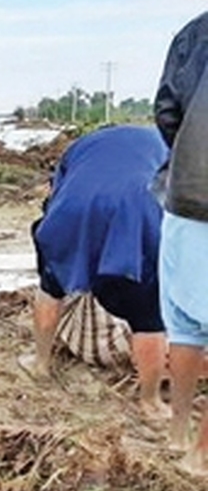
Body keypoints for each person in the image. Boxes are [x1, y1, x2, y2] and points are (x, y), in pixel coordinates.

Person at [21, 125, 169, 422]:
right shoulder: (170, 144)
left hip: (70, 209)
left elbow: (55, 193)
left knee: (50, 287)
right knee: (148, 318)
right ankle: (150, 402)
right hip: (134, 212)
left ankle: (40, 364)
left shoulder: (81, 146)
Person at [154, 11, 208, 465]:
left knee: (186, 326)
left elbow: (167, 111)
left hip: (187, 195)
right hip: (189, 192)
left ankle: (177, 431)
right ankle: (203, 454)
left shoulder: (196, 32)